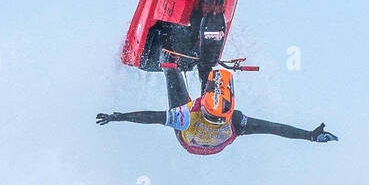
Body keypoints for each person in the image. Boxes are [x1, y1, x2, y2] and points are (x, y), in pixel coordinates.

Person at [96, 56, 338, 157]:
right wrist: (309, 136)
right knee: (208, 72)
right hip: (214, 134)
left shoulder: (186, 118)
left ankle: (161, 55)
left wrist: (119, 116)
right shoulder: (238, 122)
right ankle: (206, 63)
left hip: (189, 140)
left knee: (170, 67)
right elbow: (274, 128)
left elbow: (152, 117)